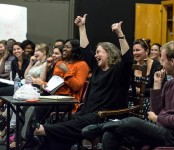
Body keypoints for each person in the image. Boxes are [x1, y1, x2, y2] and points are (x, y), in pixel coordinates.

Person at [21, 14, 132, 150]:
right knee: (63, 125)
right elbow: (85, 49)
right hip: (87, 111)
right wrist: (81, 27)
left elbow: (127, 58)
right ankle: (40, 138)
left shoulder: (118, 71)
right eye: (96, 52)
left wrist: (120, 33)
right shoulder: (97, 69)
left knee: (68, 126)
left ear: (109, 53)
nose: (95, 55)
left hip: (105, 115)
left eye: (99, 52)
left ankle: (39, 129)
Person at [101, 40, 174, 150]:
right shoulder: (170, 83)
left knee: (133, 121)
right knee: (111, 135)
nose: (161, 64)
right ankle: (103, 128)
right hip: (160, 129)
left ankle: (100, 127)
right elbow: (156, 110)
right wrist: (157, 84)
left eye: (163, 60)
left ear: (173, 62)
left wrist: (157, 118)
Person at [131, 39, 162, 120]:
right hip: (132, 100)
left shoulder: (156, 65)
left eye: (137, 50)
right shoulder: (132, 64)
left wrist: (141, 91)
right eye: (133, 50)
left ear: (147, 51)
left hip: (149, 100)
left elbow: (159, 90)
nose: (135, 53)